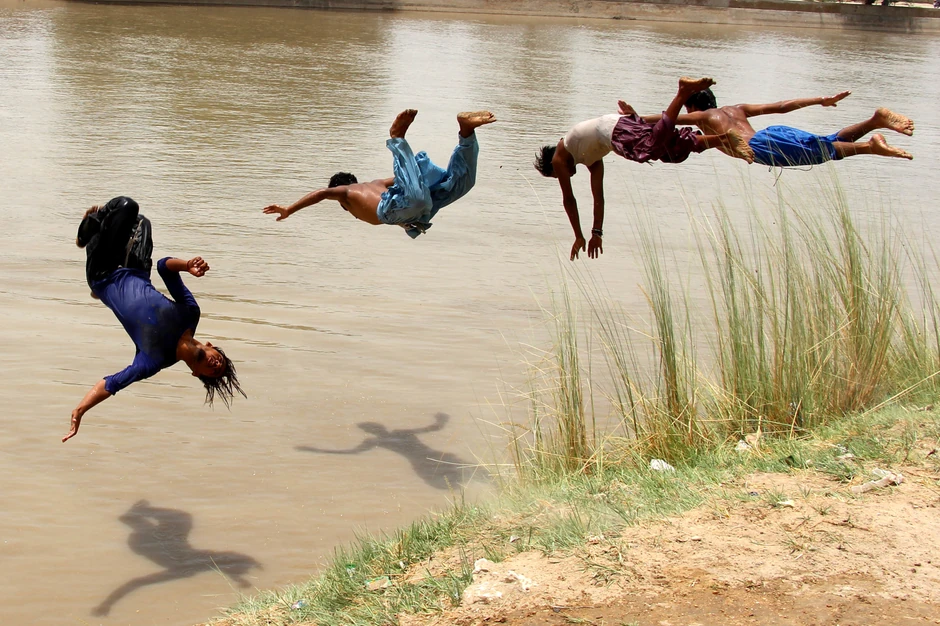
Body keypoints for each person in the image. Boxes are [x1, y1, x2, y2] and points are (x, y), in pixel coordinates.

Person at [64, 196, 245, 443]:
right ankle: (100, 238)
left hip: (103, 273)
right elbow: (163, 267)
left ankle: (89, 236)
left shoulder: (153, 360)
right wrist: (188, 265)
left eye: (213, 372)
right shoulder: (190, 313)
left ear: (196, 373)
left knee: (127, 207)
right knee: (141, 222)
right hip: (137, 270)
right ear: (211, 346)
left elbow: (111, 384)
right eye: (220, 361)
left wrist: (80, 410)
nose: (215, 365)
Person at [533, 77, 755, 261]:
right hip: (615, 131)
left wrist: (578, 236)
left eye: (555, 177)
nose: (563, 176)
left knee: (648, 149)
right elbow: (598, 196)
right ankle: (725, 139)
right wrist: (596, 233)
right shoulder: (590, 158)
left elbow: (569, 200)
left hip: (612, 128)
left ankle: (682, 92)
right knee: (671, 153)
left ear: (552, 168)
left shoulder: (560, 158)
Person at [263, 109, 497, 238]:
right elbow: (404, 179)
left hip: (403, 205)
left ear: (342, 201)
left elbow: (323, 193)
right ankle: (466, 133)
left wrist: (289, 209)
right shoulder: (376, 184)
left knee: (415, 194)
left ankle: (397, 138)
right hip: (414, 207)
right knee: (460, 185)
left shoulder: (346, 193)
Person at [674, 87, 914, 168]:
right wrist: (821, 100)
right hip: (771, 135)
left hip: (761, 149)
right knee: (825, 144)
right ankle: (875, 121)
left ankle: (869, 147)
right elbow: (781, 106)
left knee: (822, 152)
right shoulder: (736, 108)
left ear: (692, 105)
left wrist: (635, 117)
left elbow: (664, 119)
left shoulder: (700, 117)